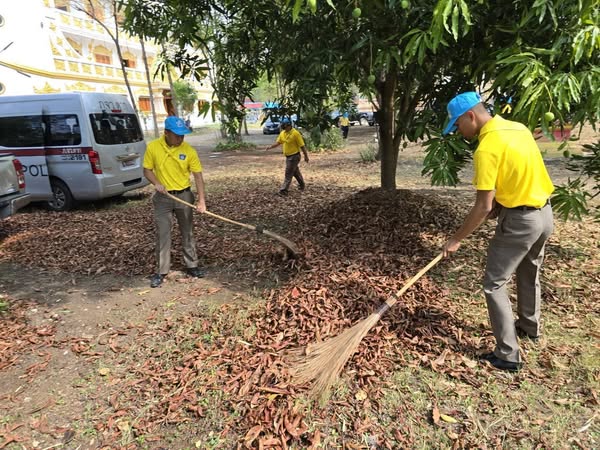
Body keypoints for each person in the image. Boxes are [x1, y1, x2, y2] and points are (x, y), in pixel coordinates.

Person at [441, 92, 554, 372]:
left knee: (494, 284)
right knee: (529, 271)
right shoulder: (518, 128)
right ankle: (529, 327)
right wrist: (501, 202)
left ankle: (507, 354)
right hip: (544, 215)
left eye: (457, 125)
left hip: (520, 222)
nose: (458, 132)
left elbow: (483, 206)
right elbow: (518, 173)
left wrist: (456, 239)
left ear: (470, 116)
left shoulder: (486, 148)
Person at [143, 116, 207, 288]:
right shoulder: (153, 147)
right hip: (163, 198)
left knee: (187, 231)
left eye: (182, 135)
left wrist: (201, 200)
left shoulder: (189, 150)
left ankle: (192, 265)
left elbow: (198, 176)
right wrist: (156, 183)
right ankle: (161, 271)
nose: (180, 138)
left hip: (184, 196)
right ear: (166, 132)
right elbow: (147, 170)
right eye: (177, 135)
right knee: (163, 233)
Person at [265, 117, 309, 196]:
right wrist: (270, 147)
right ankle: (302, 185)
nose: (283, 127)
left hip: (294, 156)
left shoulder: (295, 133)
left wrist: (306, 156)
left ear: (289, 125)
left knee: (288, 173)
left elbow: (302, 146)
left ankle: (284, 191)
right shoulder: (283, 133)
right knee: (295, 172)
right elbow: (279, 142)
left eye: (285, 126)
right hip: (288, 156)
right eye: (283, 126)